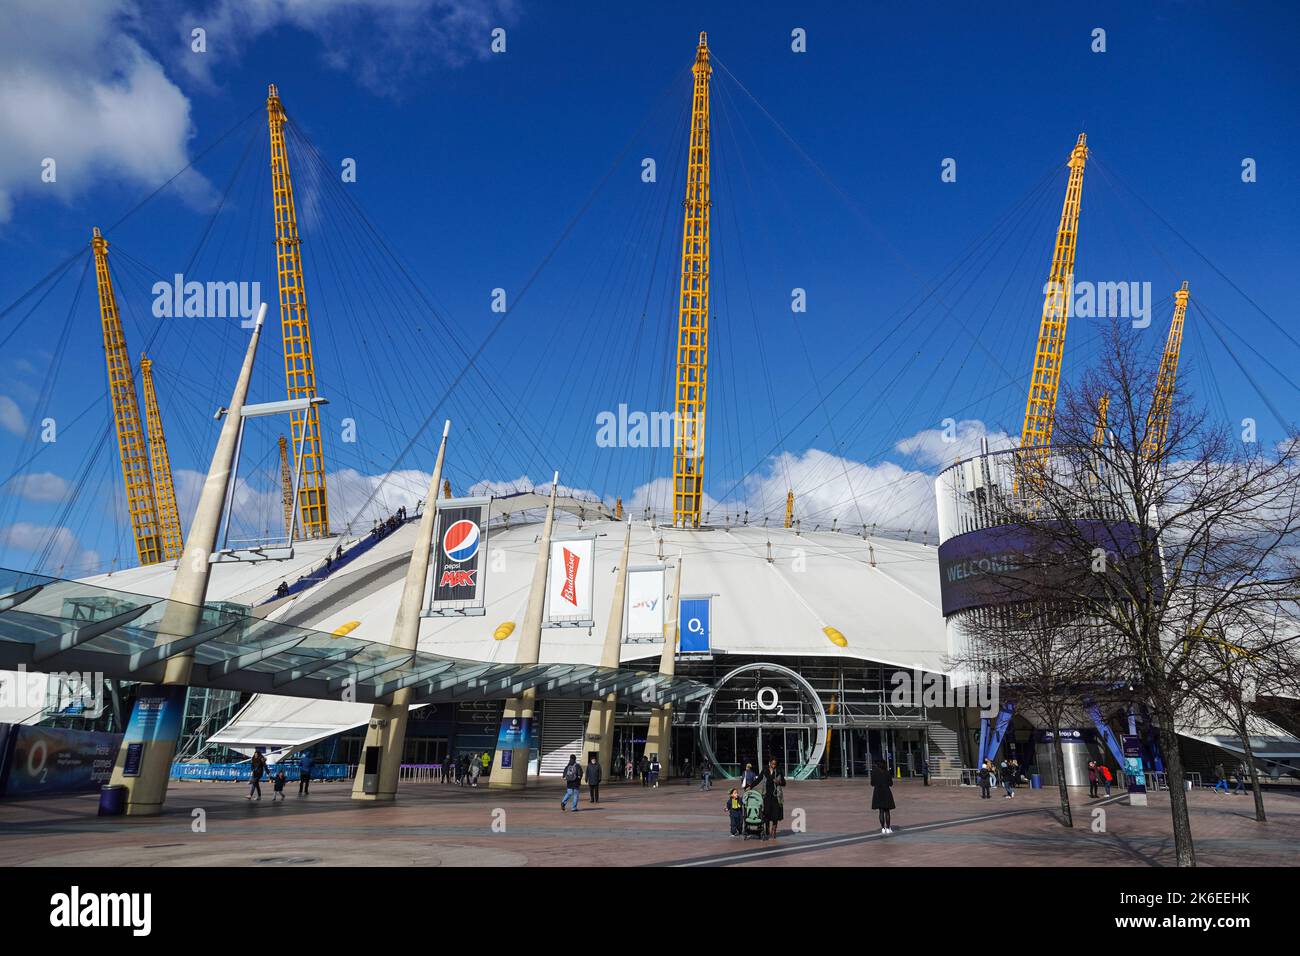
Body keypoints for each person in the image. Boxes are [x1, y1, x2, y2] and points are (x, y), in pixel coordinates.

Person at [758, 758, 786, 840]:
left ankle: (773, 831)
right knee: (766, 813)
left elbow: (784, 783)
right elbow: (759, 779)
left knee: (775, 815)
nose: (774, 765)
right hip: (766, 796)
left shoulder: (779, 771)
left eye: (775, 764)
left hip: (776, 796)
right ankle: (767, 829)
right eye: (772, 764)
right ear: (769, 763)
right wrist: (751, 786)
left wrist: (779, 782)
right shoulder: (765, 770)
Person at [871, 759, 895, 834]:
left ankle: (883, 828)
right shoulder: (887, 772)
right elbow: (891, 784)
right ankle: (888, 828)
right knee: (887, 811)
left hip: (878, 792)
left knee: (881, 811)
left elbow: (872, 783)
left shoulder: (874, 773)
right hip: (886, 792)